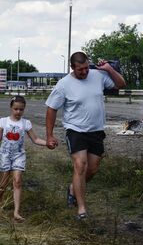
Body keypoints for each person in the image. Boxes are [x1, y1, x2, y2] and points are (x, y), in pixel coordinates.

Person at [45, 51, 126, 220]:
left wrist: (109, 69)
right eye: (80, 69)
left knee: (93, 168)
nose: (84, 72)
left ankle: (73, 188)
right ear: (72, 68)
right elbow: (52, 109)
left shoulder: (97, 75)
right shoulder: (63, 84)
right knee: (80, 165)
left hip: (96, 130)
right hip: (75, 130)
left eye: (86, 68)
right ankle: (81, 209)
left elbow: (120, 84)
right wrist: (50, 135)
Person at [0, 95, 47, 222]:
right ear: (11, 108)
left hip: (19, 155)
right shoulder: (4, 121)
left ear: (24, 109)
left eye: (21, 110)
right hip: (5, 155)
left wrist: (47, 143)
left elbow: (35, 139)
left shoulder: (26, 123)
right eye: (16, 109)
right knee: (4, 181)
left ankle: (16, 212)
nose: (18, 112)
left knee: (17, 181)